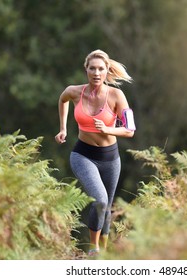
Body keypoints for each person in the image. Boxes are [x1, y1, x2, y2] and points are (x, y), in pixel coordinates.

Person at [55, 49, 136, 256]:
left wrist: (108, 129)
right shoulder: (75, 91)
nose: (97, 73)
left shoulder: (116, 95)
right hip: (83, 155)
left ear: (107, 70)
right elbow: (62, 100)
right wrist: (63, 128)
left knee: (106, 207)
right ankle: (94, 249)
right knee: (99, 200)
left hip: (110, 158)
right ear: (86, 69)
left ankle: (104, 254)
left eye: (101, 69)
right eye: (93, 68)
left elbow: (129, 129)